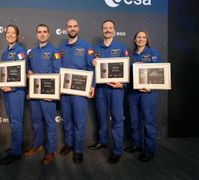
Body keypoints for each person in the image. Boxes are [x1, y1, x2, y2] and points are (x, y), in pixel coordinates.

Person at [88, 19, 128, 165]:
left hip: (115, 89)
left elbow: (126, 68)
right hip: (100, 89)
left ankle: (117, 151)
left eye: (110, 28)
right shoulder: (95, 49)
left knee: (117, 119)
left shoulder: (121, 47)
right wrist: (92, 85)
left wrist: (122, 83)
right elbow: (92, 70)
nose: (108, 30)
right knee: (101, 117)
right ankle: (102, 141)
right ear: (102, 30)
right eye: (105, 28)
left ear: (114, 31)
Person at [58, 19, 95, 164]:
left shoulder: (86, 46)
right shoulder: (61, 48)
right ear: (66, 29)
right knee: (67, 120)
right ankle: (69, 144)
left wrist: (92, 86)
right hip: (65, 92)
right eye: (69, 26)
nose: (72, 29)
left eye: (74, 26)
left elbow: (91, 68)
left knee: (79, 122)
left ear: (78, 28)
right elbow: (57, 70)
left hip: (80, 92)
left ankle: (78, 150)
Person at [25, 24, 61, 165]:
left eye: (44, 32)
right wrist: (28, 72)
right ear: (36, 34)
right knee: (36, 121)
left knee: (50, 123)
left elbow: (58, 72)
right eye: (39, 32)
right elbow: (28, 69)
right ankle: (37, 145)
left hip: (48, 94)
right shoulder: (32, 52)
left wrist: (52, 93)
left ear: (49, 34)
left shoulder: (54, 51)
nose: (42, 34)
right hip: (34, 94)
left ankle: (50, 151)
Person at [125, 29, 161, 161]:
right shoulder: (131, 56)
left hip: (147, 94)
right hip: (133, 93)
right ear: (135, 40)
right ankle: (136, 145)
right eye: (138, 37)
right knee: (134, 122)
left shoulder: (153, 53)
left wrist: (150, 87)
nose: (140, 39)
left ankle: (149, 151)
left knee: (148, 123)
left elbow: (158, 73)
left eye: (143, 37)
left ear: (146, 40)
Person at [0, 25, 27, 166]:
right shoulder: (5, 52)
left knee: (16, 122)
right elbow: (5, 73)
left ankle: (16, 153)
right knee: (13, 122)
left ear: (17, 36)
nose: (10, 34)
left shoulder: (20, 51)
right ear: (5, 35)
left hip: (16, 92)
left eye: (13, 33)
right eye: (8, 32)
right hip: (7, 91)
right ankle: (16, 146)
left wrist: (12, 87)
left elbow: (23, 72)